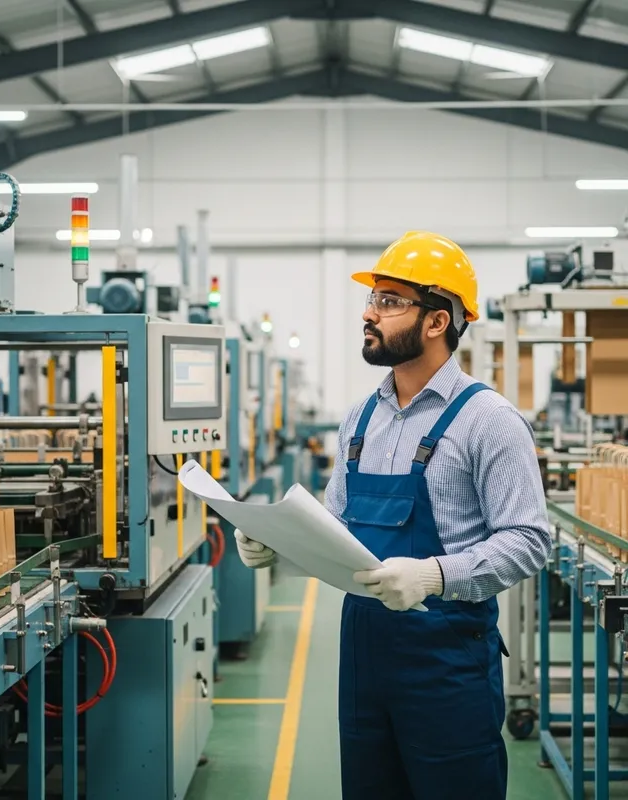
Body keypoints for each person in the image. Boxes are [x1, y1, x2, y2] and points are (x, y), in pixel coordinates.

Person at [234, 231, 551, 800]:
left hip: (448, 666)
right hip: (363, 659)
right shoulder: (360, 417)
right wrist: (276, 545)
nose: (368, 313)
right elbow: (335, 526)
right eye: (371, 299)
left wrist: (433, 574)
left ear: (436, 321)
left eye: (388, 301)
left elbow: (529, 540)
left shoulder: (490, 421)